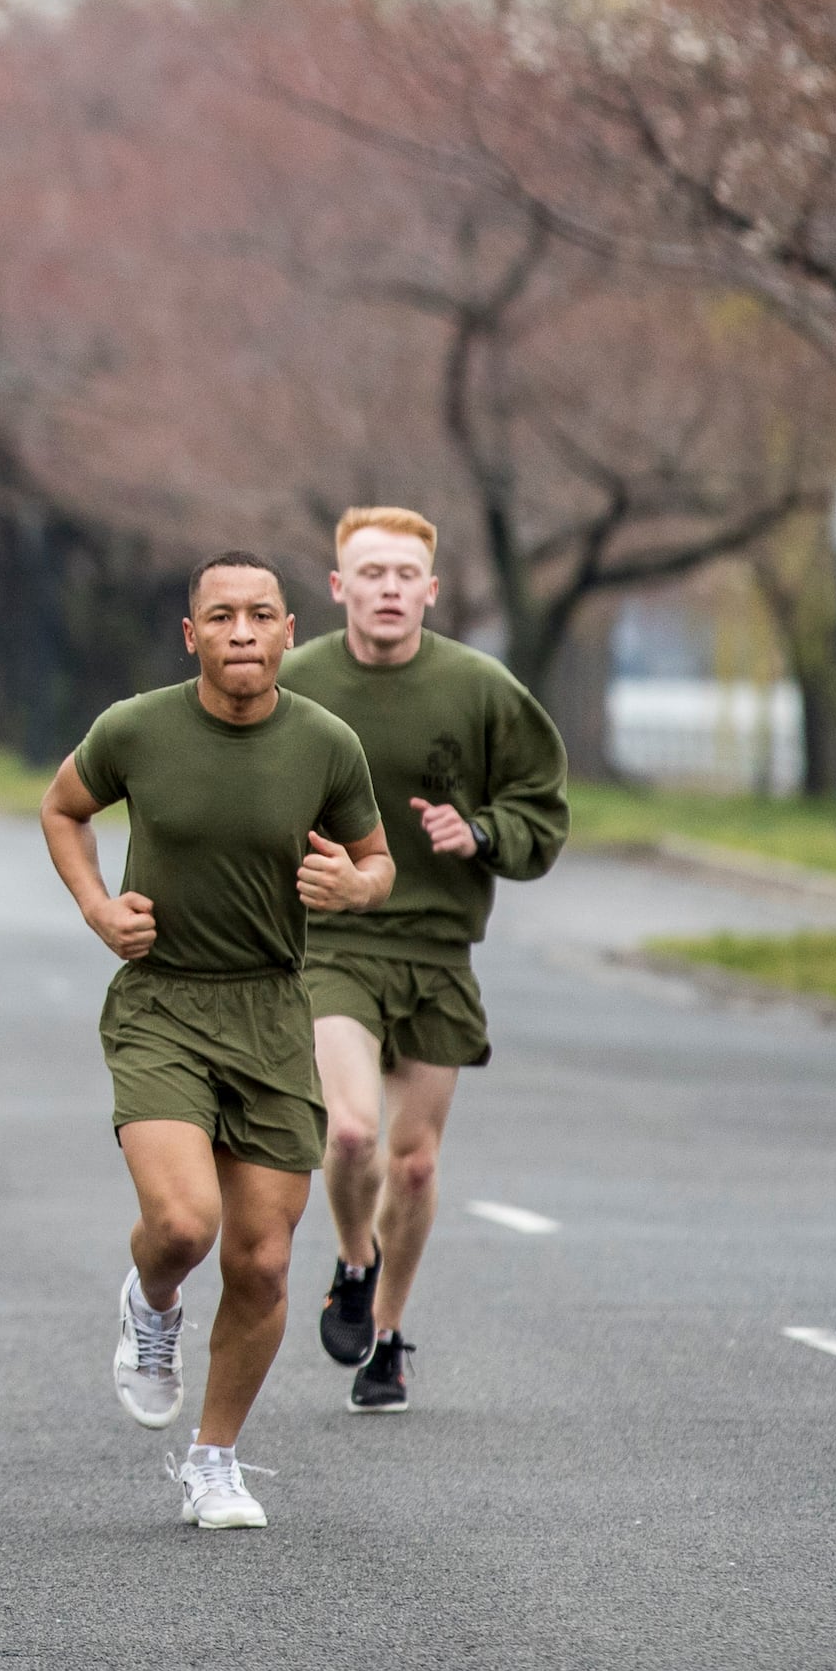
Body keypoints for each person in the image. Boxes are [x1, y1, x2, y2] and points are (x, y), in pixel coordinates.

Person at [39, 550, 393, 1530]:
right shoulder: (136, 728)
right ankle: (153, 1301)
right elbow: (64, 807)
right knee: (186, 1224)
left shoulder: (326, 743)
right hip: (163, 1005)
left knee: (263, 1261)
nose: (243, 631)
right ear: (191, 634)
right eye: (222, 616)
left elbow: (377, 863)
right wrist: (98, 906)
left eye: (262, 615)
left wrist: (353, 887)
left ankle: (213, 1459)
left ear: (289, 632)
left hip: (274, 1011)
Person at [280, 505, 569, 1414]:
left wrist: (479, 831)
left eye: (407, 576)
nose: (390, 589)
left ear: (432, 592)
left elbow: (543, 811)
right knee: (354, 1133)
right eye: (371, 574)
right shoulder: (294, 683)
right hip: (333, 942)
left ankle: (388, 1337)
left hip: (439, 951)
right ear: (339, 589)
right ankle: (353, 1265)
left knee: (412, 1163)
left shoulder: (481, 690)